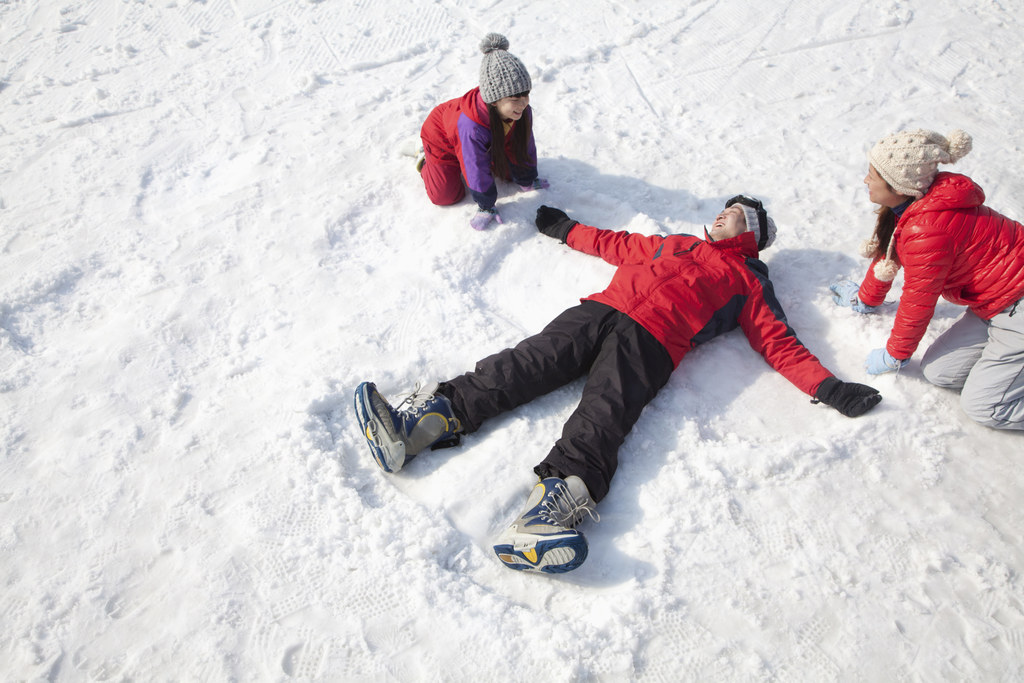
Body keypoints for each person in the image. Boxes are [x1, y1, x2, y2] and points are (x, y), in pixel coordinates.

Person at [355, 198, 882, 574]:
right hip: (597, 312)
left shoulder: (749, 282)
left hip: (652, 344)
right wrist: (565, 228)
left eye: (739, 215)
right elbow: (615, 244)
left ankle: (548, 515)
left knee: (605, 415)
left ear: (753, 234)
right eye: (726, 208)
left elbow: (779, 342)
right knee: (522, 364)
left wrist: (829, 387)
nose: (724, 214)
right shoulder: (673, 244)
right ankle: (414, 429)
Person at [830, 128, 1024, 430]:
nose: (865, 180)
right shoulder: (915, 205)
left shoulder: (928, 230)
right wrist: (866, 298)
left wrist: (896, 354)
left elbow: (918, 299)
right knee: (940, 372)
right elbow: (890, 251)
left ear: (899, 186)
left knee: (987, 408)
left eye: (872, 175)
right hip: (994, 304)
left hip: (1016, 306)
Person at [418, 33, 548, 231]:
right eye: (515, 98)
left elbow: (523, 144)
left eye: (526, 94)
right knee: (445, 196)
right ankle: (424, 159)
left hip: (482, 135)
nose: (523, 103)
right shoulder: (471, 126)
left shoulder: (520, 110)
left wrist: (527, 179)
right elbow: (474, 164)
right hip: (442, 138)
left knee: (508, 173)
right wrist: (486, 206)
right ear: (494, 100)